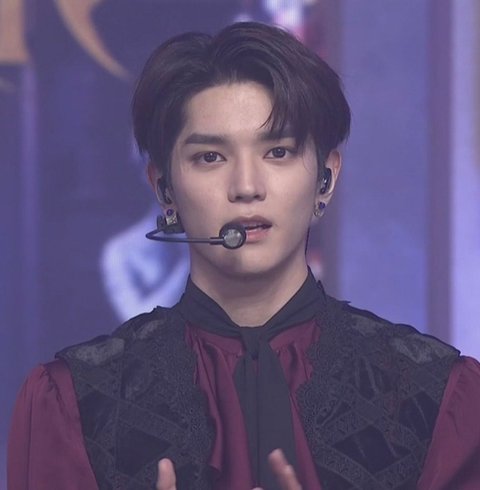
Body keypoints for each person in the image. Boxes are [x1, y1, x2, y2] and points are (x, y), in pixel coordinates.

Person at [7, 22, 480, 490]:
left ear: (326, 179)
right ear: (164, 188)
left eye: (278, 152)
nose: (247, 187)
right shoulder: (75, 400)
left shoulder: (436, 396)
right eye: (210, 157)